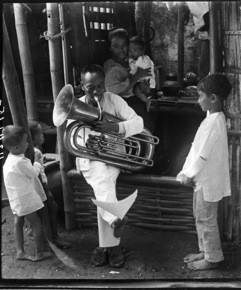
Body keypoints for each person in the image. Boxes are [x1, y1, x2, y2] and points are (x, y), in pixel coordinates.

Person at [74, 64, 144, 268]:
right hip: (89, 159)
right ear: (81, 85)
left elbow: (138, 123)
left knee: (103, 186)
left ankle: (106, 246)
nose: (96, 92)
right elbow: (75, 137)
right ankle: (113, 233)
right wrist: (93, 139)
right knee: (103, 180)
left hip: (114, 158)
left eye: (99, 87)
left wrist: (116, 127)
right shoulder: (75, 105)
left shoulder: (115, 100)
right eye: (90, 87)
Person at [176, 73, 232, 270]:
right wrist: (186, 172)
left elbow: (203, 156)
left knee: (206, 218)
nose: (198, 100)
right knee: (200, 216)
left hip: (208, 181)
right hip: (202, 179)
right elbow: (195, 149)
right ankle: (205, 250)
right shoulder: (211, 119)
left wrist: (188, 174)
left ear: (214, 98)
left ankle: (213, 258)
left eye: (201, 96)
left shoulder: (215, 122)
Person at [2, 125, 52, 262]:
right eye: (25, 141)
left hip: (15, 199)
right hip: (26, 200)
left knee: (18, 222)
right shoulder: (22, 162)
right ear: (17, 147)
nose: (28, 144)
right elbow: (34, 173)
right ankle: (39, 252)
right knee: (36, 223)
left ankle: (20, 252)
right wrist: (36, 161)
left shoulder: (9, 159)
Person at [28, 121, 71, 249]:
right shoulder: (36, 153)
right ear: (31, 138)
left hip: (34, 188)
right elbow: (39, 174)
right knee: (52, 208)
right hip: (41, 188)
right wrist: (47, 191)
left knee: (44, 211)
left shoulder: (30, 152)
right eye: (39, 134)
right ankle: (54, 238)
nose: (43, 136)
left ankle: (40, 234)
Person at [103, 28, 154, 132]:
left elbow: (145, 87)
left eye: (124, 46)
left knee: (146, 133)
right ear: (110, 48)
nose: (121, 50)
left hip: (140, 104)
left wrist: (146, 88)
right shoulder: (110, 66)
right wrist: (136, 77)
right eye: (116, 46)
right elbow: (117, 92)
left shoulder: (134, 62)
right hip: (123, 108)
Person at [128, 36, 156, 109]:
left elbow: (137, 72)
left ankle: (147, 101)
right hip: (145, 80)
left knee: (136, 91)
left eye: (134, 50)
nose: (131, 53)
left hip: (145, 81)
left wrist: (130, 73)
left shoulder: (142, 60)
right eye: (130, 50)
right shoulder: (142, 58)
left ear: (142, 51)